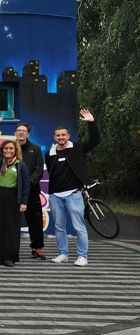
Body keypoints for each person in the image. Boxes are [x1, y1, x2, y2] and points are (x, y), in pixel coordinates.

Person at [45, 109, 99, 267]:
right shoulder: (49, 153)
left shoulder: (77, 149)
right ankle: (63, 254)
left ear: (68, 136)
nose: (61, 137)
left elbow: (94, 141)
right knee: (59, 227)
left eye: (63, 135)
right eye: (58, 135)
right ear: (55, 137)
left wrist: (92, 123)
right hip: (55, 195)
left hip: (74, 194)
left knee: (78, 226)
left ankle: (83, 256)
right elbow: (52, 172)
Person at [0, 140, 30, 267]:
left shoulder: (20, 165)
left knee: (11, 228)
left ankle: (9, 257)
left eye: (11, 148)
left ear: (15, 150)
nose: (8, 151)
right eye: (6, 148)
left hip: (13, 199)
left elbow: (26, 186)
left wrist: (23, 202)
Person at [14, 123, 46, 260]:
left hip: (31, 191)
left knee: (35, 220)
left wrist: (27, 185)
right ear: (15, 133)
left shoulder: (36, 149)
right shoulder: (10, 148)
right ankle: (10, 248)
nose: (21, 133)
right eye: (19, 130)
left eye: (24, 131)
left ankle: (37, 247)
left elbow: (39, 171)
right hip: (13, 190)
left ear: (28, 134)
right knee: (11, 221)